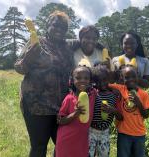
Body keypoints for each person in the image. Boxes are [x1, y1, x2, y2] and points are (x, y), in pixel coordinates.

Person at [14, 11, 73, 157]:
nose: (59, 30)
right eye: (56, 25)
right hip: (36, 106)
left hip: (61, 107)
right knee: (39, 147)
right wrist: (28, 58)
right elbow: (19, 68)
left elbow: (86, 40)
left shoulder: (67, 47)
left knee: (62, 145)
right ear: (47, 25)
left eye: (63, 28)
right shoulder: (36, 42)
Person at [109, 65, 149, 157]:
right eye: (127, 77)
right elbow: (106, 84)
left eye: (133, 76)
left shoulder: (144, 95)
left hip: (139, 134)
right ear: (122, 78)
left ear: (138, 76)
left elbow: (146, 115)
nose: (130, 79)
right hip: (123, 133)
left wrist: (138, 102)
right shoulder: (121, 89)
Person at [56, 66, 96, 157]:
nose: (82, 80)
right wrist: (75, 113)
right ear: (72, 80)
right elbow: (60, 120)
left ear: (90, 80)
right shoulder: (69, 98)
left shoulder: (93, 94)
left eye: (86, 78)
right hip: (67, 140)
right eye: (78, 78)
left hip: (82, 140)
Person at [89, 64, 123, 157]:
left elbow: (120, 116)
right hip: (91, 130)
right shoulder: (93, 93)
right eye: (97, 81)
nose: (101, 83)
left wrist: (113, 110)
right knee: (89, 154)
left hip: (105, 131)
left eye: (104, 80)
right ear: (93, 82)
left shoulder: (114, 95)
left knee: (104, 154)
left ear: (109, 79)